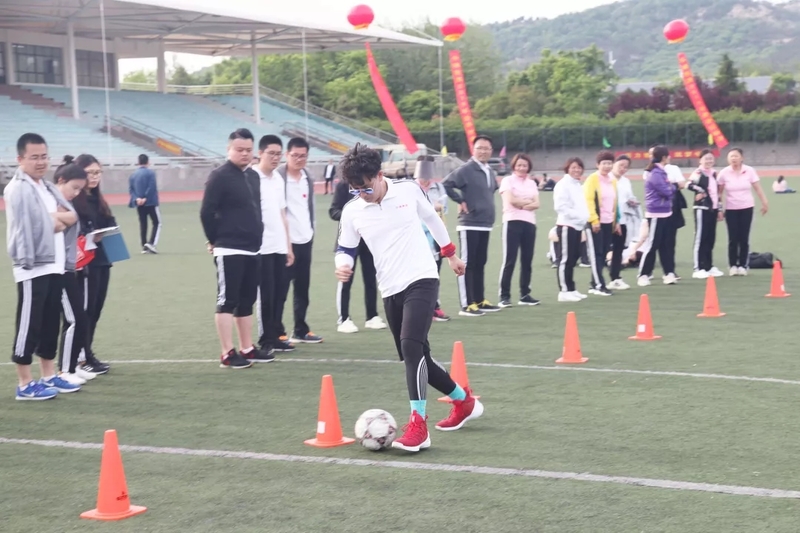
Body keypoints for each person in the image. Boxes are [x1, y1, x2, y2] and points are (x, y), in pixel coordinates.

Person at [335, 144, 483, 453]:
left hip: (422, 277)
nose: (362, 194)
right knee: (417, 357)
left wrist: (450, 254)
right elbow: (346, 247)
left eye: (366, 187)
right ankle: (463, 401)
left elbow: (432, 219)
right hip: (390, 288)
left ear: (379, 175)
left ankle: (419, 425)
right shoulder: (352, 210)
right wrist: (343, 265)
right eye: (356, 190)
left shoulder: (408, 190)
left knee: (410, 347)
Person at [6, 133, 82, 399]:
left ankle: (49, 376)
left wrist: (57, 219)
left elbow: (71, 216)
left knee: (50, 323)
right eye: (34, 157)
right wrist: (57, 219)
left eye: (44, 156)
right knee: (29, 324)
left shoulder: (47, 187)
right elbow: (42, 224)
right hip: (33, 265)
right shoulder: (18, 188)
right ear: (20, 159)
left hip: (55, 264)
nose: (40, 162)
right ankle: (24, 384)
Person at [200, 128, 269, 369]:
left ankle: (247, 348)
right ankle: (227, 352)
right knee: (227, 300)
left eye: (248, 150)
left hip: (253, 248)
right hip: (229, 248)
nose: (245, 154)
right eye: (239, 150)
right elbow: (206, 212)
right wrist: (214, 239)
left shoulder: (253, 176)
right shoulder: (219, 176)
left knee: (246, 301)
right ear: (229, 149)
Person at [442, 135, 500, 317]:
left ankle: (479, 300)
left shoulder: (489, 171)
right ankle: (467, 304)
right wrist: (461, 200)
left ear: (491, 151)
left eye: (486, 148)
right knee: (467, 264)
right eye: (480, 148)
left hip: (485, 223)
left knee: (480, 263)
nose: (483, 151)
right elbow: (447, 184)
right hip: (469, 223)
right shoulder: (466, 169)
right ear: (473, 150)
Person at [52, 158, 96, 386]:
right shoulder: (52, 201)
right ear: (61, 180)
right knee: (73, 319)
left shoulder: (66, 204)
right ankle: (64, 370)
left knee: (80, 318)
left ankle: (71, 366)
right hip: (58, 270)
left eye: (80, 189)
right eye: (74, 188)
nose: (76, 193)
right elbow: (53, 226)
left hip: (70, 268)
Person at [71, 154, 115, 375]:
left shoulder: (98, 199)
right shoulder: (74, 201)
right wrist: (90, 235)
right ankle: (80, 357)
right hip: (85, 263)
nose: (95, 177)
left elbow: (110, 223)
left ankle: (86, 353)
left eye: (98, 172)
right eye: (90, 173)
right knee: (84, 312)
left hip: (102, 261)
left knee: (95, 310)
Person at [276, 137, 323, 344]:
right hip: (285, 242)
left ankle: (300, 329)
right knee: (281, 288)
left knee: (302, 288)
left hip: (305, 240)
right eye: (295, 155)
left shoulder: (307, 177)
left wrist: (311, 231)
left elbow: (308, 207)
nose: (299, 159)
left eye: (303, 156)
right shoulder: (278, 177)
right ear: (287, 155)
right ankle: (277, 331)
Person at [329, 170, 386, 334]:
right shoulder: (343, 185)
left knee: (370, 278)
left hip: (369, 240)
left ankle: (372, 316)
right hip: (348, 240)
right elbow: (333, 211)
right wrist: (353, 216)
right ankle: (344, 319)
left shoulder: (373, 184)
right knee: (345, 278)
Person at [253, 135, 293, 360]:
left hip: (279, 245)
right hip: (261, 246)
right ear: (260, 153)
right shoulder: (251, 177)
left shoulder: (278, 179)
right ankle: (265, 339)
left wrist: (288, 246)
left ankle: (276, 335)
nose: (275, 158)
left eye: (279, 154)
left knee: (279, 293)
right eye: (271, 153)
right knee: (266, 295)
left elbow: (282, 214)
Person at [717, 147, 769, 276]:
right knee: (733, 238)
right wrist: (719, 209)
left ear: (742, 158)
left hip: (747, 208)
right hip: (731, 209)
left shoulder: (749, 171)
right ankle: (733, 265)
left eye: (736, 156)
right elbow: (719, 193)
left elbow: (757, 188)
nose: (733, 158)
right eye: (731, 156)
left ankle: (743, 265)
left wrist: (764, 202)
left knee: (744, 238)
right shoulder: (724, 173)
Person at [497, 153, 540, 307]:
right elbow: (511, 201)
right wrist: (527, 203)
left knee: (527, 260)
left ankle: (525, 294)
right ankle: (504, 296)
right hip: (512, 222)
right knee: (510, 260)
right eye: (519, 165)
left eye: (525, 165)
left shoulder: (532, 183)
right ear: (514, 166)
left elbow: (537, 204)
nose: (522, 168)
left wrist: (521, 203)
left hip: (529, 223)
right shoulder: (507, 181)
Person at [415, 156, 451, 322]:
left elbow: (445, 209)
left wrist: (439, 207)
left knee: (434, 272)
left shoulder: (438, 187)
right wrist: (431, 206)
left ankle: (434, 306)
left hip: (435, 235)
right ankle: (418, 308)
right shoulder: (411, 188)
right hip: (416, 236)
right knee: (417, 274)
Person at [582, 151, 620, 296]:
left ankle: (594, 283)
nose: (607, 166)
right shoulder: (592, 179)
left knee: (603, 254)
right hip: (595, 223)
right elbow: (588, 201)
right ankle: (599, 285)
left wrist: (616, 221)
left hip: (608, 222)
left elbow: (614, 203)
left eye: (609, 163)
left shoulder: (612, 180)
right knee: (596, 254)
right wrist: (594, 220)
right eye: (604, 163)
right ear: (598, 164)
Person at [637, 145, 676, 286]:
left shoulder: (661, 172)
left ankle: (669, 273)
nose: (669, 158)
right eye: (668, 156)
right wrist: (673, 186)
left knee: (665, 245)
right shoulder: (655, 173)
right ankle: (643, 274)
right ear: (664, 157)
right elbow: (668, 191)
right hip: (655, 213)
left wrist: (671, 187)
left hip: (665, 212)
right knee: (653, 245)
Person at [553, 157, 590, 302]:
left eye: (579, 167)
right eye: (573, 167)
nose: (577, 170)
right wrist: (578, 216)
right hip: (566, 225)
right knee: (565, 259)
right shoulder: (563, 184)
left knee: (573, 258)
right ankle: (564, 291)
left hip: (577, 226)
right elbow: (560, 206)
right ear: (567, 168)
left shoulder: (577, 185)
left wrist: (583, 218)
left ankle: (571, 288)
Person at [689, 149, 724, 279]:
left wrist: (719, 209)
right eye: (706, 158)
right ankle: (698, 268)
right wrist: (701, 191)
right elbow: (689, 184)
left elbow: (717, 194)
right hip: (701, 208)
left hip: (712, 209)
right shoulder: (699, 172)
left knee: (710, 238)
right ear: (700, 160)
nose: (709, 161)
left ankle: (708, 266)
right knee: (701, 238)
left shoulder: (713, 173)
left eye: (711, 158)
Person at [608, 155, 637, 290]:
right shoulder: (606, 179)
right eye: (620, 165)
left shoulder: (626, 181)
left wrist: (632, 201)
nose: (623, 169)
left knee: (618, 250)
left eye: (626, 167)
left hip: (623, 220)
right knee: (602, 250)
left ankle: (615, 278)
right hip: (607, 220)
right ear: (614, 164)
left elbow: (629, 196)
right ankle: (596, 282)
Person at [128, 154, 161, 254]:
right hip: (150, 202)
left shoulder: (133, 175)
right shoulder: (151, 173)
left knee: (143, 223)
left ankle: (144, 245)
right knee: (157, 222)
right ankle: (151, 243)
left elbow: (131, 189)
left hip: (139, 203)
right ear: (148, 162)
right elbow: (152, 187)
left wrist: (137, 198)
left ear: (138, 162)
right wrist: (145, 197)